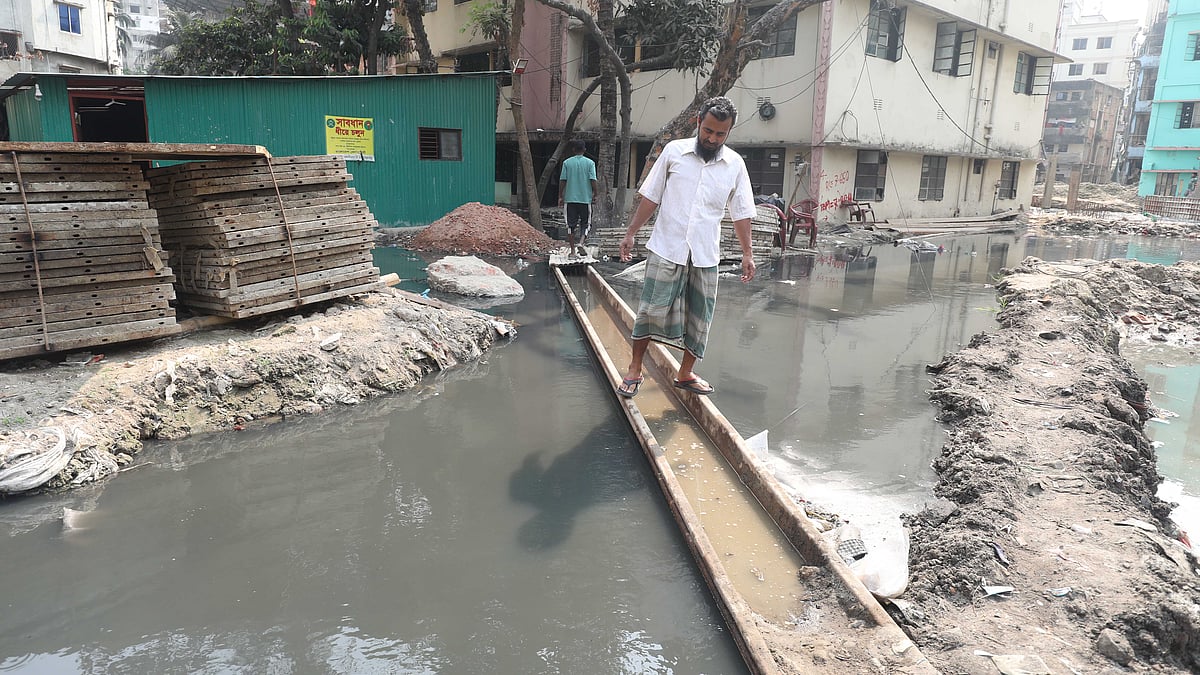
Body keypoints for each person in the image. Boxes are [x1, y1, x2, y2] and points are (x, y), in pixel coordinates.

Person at [615, 96, 756, 398]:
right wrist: (631, 234)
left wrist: (748, 253)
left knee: (700, 316)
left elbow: (742, 211)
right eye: (708, 130)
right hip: (667, 247)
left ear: (729, 132)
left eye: (720, 134)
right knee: (649, 312)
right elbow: (651, 197)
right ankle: (635, 368)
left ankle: (686, 372)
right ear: (698, 122)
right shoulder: (674, 152)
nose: (712, 138)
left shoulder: (734, 164)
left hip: (705, 254)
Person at [558, 140, 597, 258]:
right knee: (586, 223)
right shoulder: (590, 163)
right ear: (584, 150)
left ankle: (573, 251)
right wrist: (595, 194)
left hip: (570, 199)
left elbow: (563, 180)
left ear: (573, 150)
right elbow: (593, 180)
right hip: (585, 199)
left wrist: (560, 196)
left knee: (570, 225)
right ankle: (581, 243)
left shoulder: (567, 163)